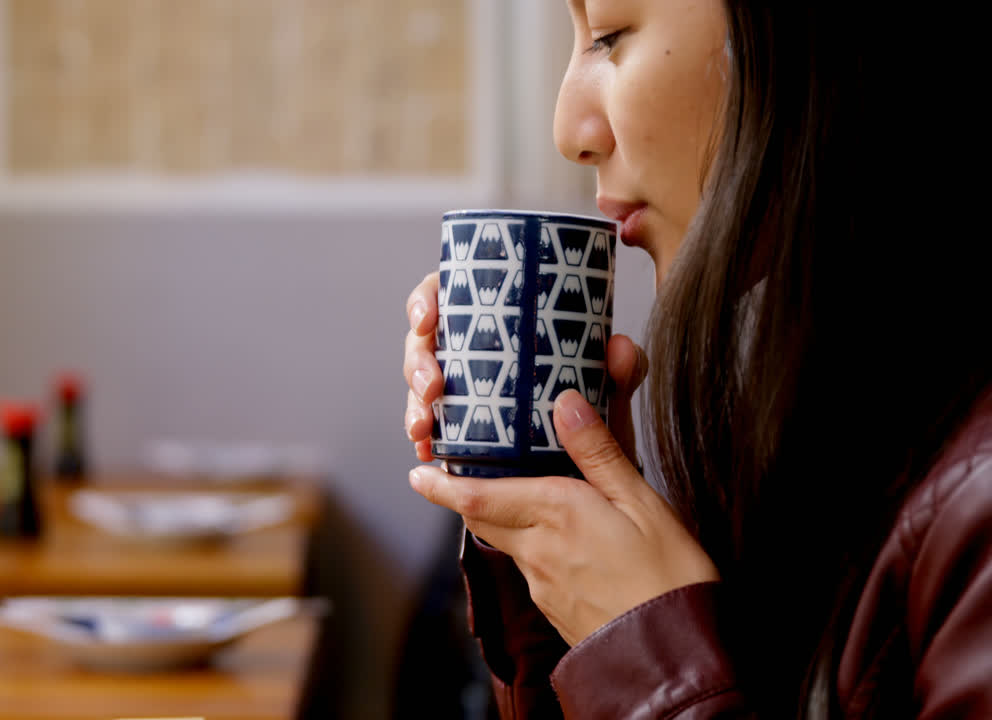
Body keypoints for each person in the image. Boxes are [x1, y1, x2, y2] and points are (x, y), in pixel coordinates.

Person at [402, 1, 991, 717]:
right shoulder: (830, 405)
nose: (570, 132)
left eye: (612, 37)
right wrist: (554, 559)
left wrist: (647, 659)